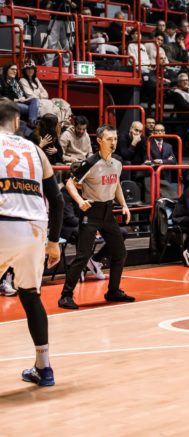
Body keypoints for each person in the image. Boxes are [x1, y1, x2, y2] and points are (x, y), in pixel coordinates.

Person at [0, 99, 64, 386]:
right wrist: (54, 242)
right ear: (16, 122)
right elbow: (57, 201)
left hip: (4, 220)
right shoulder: (35, 150)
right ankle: (44, 367)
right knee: (30, 295)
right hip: (35, 228)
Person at [58, 125, 135, 310]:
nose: (113, 142)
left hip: (108, 212)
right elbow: (69, 183)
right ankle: (65, 296)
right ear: (100, 141)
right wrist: (79, 201)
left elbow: (116, 184)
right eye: (109, 139)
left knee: (120, 253)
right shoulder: (90, 163)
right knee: (83, 255)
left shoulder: (117, 162)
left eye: (115, 139)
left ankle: (113, 291)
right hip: (91, 212)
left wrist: (124, 205)